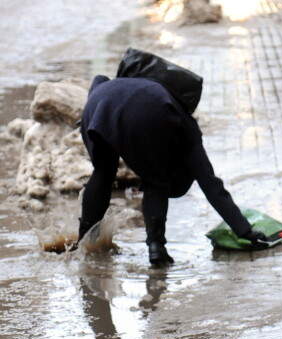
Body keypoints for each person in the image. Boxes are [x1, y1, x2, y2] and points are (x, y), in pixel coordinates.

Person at [77, 75, 267, 265]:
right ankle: (156, 248)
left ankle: (84, 242)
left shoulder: (144, 85)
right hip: (139, 112)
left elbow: (99, 79)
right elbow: (210, 183)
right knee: (157, 179)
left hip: (95, 108)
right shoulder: (186, 126)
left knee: (103, 171)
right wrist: (244, 230)